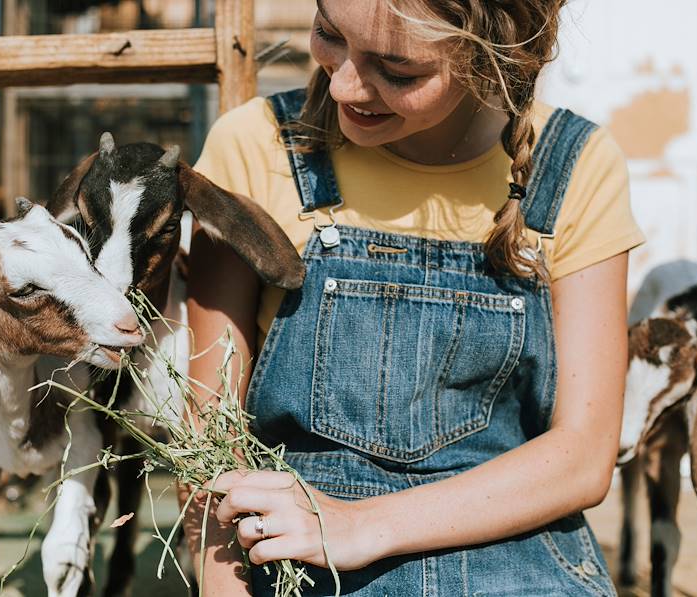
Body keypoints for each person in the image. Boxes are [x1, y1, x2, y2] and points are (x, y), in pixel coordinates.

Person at [183, 0, 644, 595]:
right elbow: (209, 446)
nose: (345, 84)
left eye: (397, 71)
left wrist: (360, 525)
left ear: (489, 57)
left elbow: (582, 455)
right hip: (296, 565)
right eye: (329, 34)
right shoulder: (254, 147)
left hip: (517, 560)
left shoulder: (577, 167)